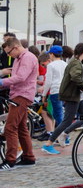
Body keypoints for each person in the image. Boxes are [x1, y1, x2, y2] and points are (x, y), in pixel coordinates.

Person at [0, 37, 39, 169]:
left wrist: (2, 82)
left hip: (22, 95)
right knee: (22, 128)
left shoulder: (27, 57)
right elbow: (16, 79)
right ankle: (29, 157)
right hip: (18, 94)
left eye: (9, 52)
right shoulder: (18, 58)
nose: (8, 55)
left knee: (10, 128)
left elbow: (21, 77)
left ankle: (10, 161)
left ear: (16, 47)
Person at [39, 46, 64, 141]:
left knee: (57, 116)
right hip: (63, 91)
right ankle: (61, 136)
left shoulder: (51, 65)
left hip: (54, 91)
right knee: (58, 114)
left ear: (52, 54)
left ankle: (64, 137)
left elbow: (48, 82)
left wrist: (44, 95)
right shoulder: (64, 64)